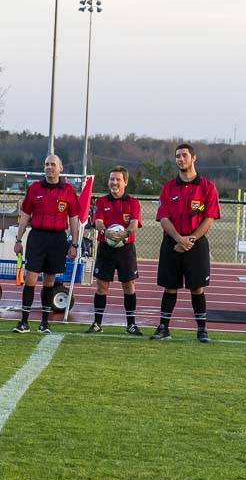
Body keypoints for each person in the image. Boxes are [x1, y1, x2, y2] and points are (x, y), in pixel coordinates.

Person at [153, 143, 220, 343]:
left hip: (196, 245)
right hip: (172, 243)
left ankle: (202, 330)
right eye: (177, 156)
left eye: (184, 155)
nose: (180, 159)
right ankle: (163, 327)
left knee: (197, 288)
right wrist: (179, 239)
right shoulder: (168, 188)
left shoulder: (208, 187)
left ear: (193, 158)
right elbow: (163, 218)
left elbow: (210, 218)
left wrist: (190, 240)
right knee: (169, 287)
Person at [12, 155, 81, 334]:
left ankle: (45, 323)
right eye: (46, 164)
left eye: (52, 164)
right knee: (31, 278)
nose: (49, 167)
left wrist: (74, 243)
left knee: (49, 281)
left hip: (57, 239)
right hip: (37, 238)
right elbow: (25, 215)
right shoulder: (35, 188)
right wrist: (18, 240)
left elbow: (74, 219)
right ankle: (24, 322)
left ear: (61, 168)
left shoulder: (68, 191)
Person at [89, 166, 143, 334]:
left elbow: (134, 223)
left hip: (125, 249)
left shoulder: (133, 202)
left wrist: (124, 234)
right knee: (101, 286)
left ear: (125, 182)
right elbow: (98, 222)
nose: (114, 182)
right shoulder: (101, 201)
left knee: (129, 286)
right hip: (106, 248)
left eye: (118, 179)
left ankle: (131, 325)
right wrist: (107, 233)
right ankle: (97, 324)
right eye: (112, 179)